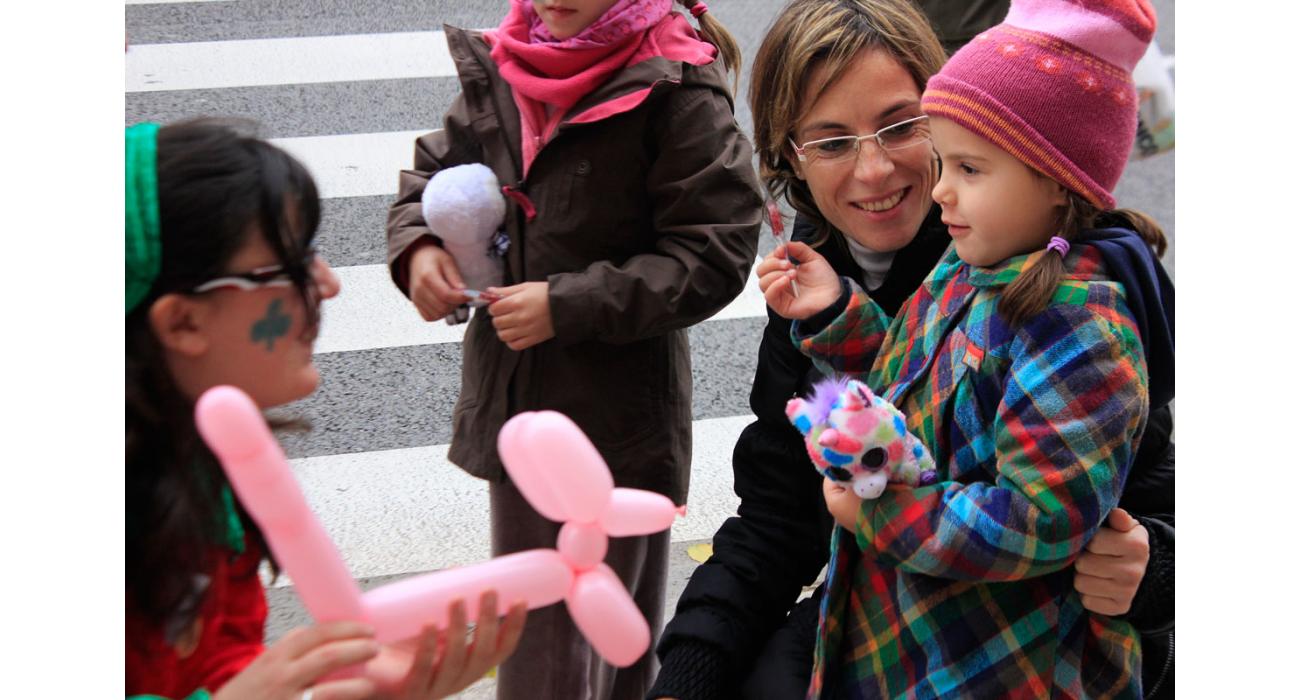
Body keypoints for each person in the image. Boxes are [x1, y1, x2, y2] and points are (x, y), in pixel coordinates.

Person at [649, 0, 1173, 698]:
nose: (875, 172)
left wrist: (1158, 566)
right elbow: (900, 387)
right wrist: (687, 673)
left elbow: (1111, 494)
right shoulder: (963, 258)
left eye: (902, 127)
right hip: (898, 626)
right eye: (832, 141)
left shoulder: (1061, 296)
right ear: (790, 160)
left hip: (1010, 656)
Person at [385, 0, 763, 697]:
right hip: (521, 409)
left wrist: (566, 304)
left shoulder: (674, 84)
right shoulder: (512, 61)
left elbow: (714, 251)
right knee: (537, 637)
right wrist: (421, 246)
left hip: (616, 421)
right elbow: (432, 175)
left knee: (611, 636)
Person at [126, 118, 527, 700]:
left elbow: (218, 659)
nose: (329, 284)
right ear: (183, 320)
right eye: (291, 265)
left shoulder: (199, 478)